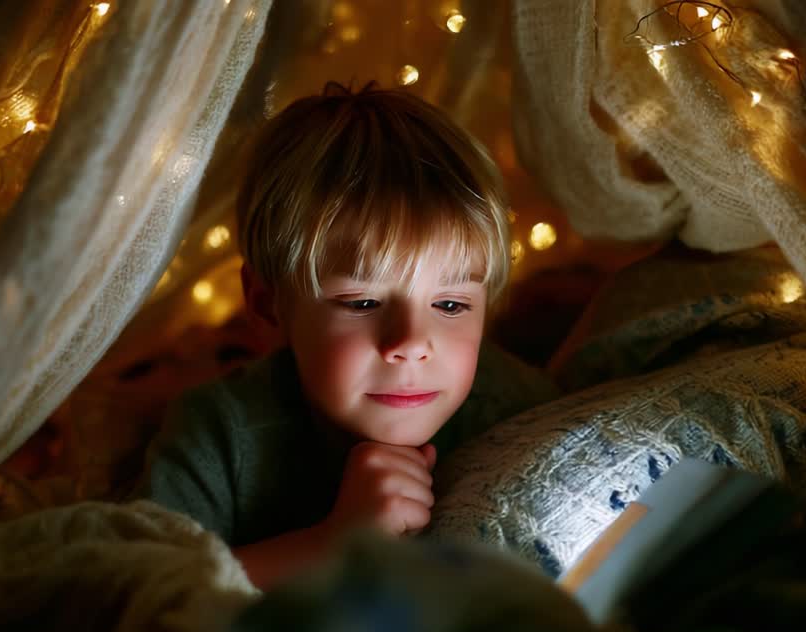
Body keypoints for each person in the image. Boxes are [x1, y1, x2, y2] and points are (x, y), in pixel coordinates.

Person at [140, 82, 558, 588]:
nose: (410, 343)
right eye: (363, 303)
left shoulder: (521, 413)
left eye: (450, 304)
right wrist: (331, 543)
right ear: (268, 306)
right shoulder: (220, 436)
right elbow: (139, 593)